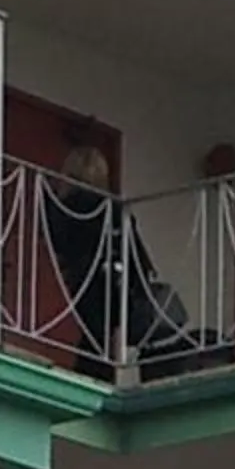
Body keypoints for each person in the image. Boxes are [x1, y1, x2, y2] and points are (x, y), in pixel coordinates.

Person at [39, 141, 201, 378]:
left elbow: (56, 237)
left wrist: (46, 194)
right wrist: (142, 277)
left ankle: (92, 378)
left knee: (95, 339)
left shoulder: (66, 207)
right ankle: (103, 378)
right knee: (107, 339)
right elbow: (132, 247)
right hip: (114, 280)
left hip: (85, 281)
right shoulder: (110, 207)